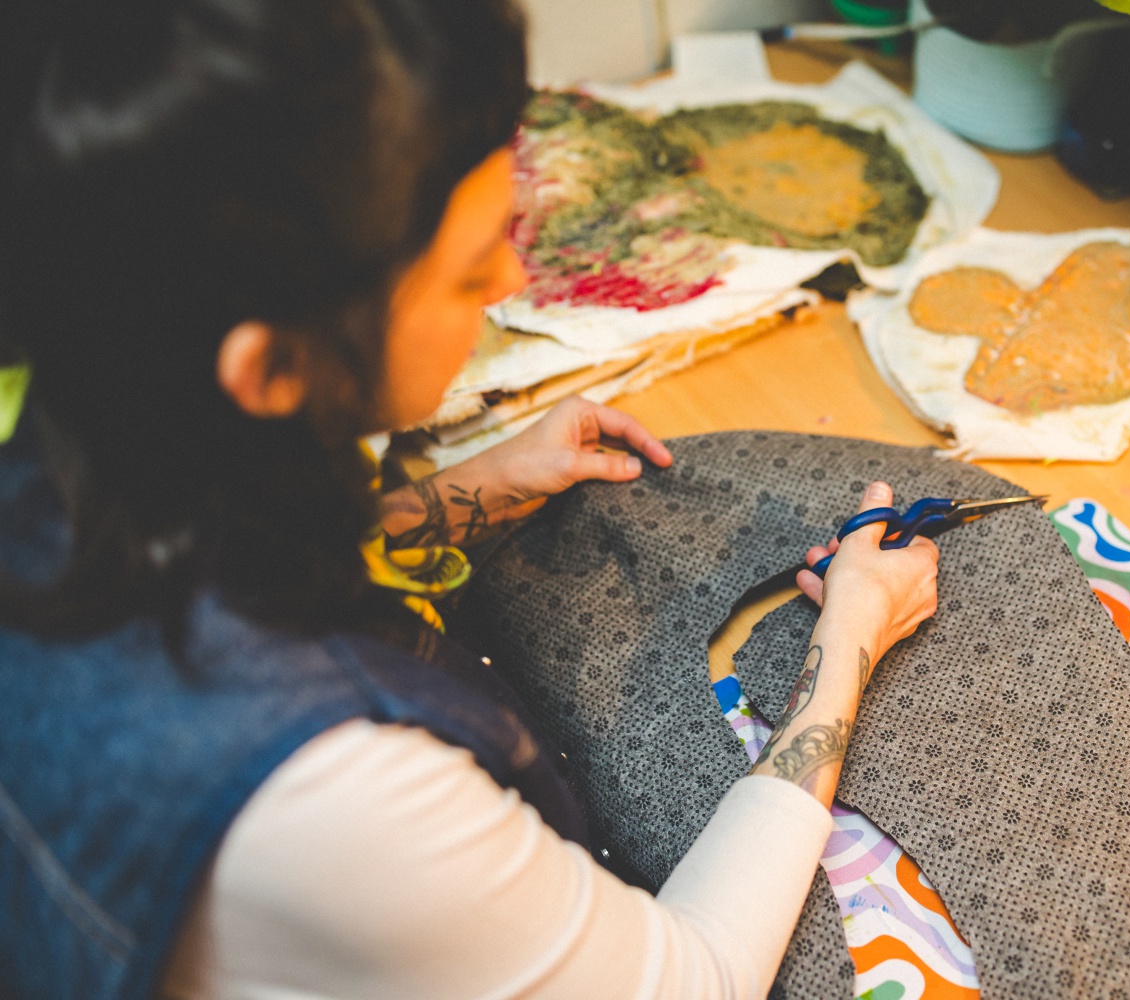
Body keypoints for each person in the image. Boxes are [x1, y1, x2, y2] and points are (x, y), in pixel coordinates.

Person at [0, 2, 940, 998]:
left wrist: (460, 494)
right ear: (275, 366)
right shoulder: (335, 797)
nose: (512, 277)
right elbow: (697, 976)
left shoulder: (77, 413)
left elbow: (215, 561)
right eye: (462, 270)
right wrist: (847, 640)